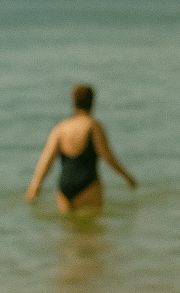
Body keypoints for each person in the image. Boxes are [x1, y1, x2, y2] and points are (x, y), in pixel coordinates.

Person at [25, 84, 137, 214]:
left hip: (64, 188)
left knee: (67, 231)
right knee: (93, 230)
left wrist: (34, 188)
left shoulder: (61, 128)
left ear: (73, 102)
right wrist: (127, 177)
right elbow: (108, 157)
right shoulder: (93, 126)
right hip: (89, 186)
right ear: (92, 102)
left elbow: (46, 160)